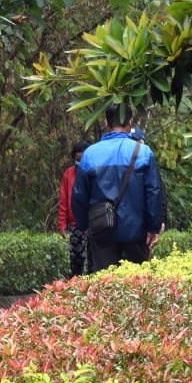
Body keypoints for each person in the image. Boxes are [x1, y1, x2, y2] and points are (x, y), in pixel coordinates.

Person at [71, 102, 165, 271]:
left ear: (106, 123)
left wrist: (84, 225)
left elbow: (79, 195)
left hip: (102, 231)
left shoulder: (90, 154)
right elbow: (153, 192)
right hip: (136, 233)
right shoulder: (143, 152)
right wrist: (154, 227)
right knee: (137, 286)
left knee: (106, 286)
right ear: (130, 122)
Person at [58, 141, 91, 277]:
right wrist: (62, 224)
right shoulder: (68, 174)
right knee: (76, 261)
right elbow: (64, 199)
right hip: (75, 224)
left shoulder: (92, 173)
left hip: (92, 223)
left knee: (93, 260)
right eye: (77, 159)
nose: (80, 162)